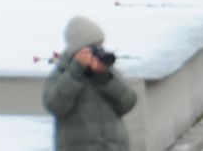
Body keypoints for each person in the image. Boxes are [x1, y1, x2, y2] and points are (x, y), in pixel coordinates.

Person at [43, 16, 137, 149]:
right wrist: (76, 70)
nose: (96, 52)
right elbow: (55, 106)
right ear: (77, 51)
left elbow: (128, 103)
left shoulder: (107, 71)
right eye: (91, 48)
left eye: (99, 47)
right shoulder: (63, 72)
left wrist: (104, 78)